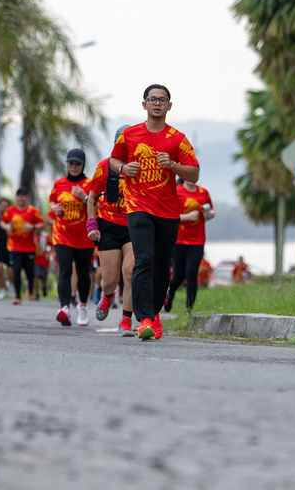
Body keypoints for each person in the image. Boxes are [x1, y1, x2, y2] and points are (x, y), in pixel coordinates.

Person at [110, 84, 199, 341]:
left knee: (161, 267)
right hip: (138, 206)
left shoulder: (177, 138)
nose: (157, 103)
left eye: (162, 99)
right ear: (144, 104)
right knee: (144, 259)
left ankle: (155, 313)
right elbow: (114, 160)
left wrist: (173, 165)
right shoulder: (129, 135)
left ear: (169, 105)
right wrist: (124, 168)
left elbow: (194, 173)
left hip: (168, 211)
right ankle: (145, 319)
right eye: (152, 99)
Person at [87, 125, 136, 335]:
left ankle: (126, 320)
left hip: (134, 225)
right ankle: (107, 296)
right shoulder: (105, 166)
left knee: (130, 272)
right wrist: (92, 225)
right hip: (109, 225)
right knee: (109, 281)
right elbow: (92, 197)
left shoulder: (141, 166)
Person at [48, 149, 95, 327]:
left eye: (77, 164)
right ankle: (64, 308)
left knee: (83, 273)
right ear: (67, 164)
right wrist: (54, 207)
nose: (74, 167)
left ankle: (82, 306)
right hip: (62, 234)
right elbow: (52, 200)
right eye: (71, 163)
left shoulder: (89, 184)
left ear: (83, 165)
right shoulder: (59, 183)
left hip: (84, 236)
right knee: (65, 270)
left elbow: (99, 205)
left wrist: (85, 197)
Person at [164, 179, 215, 315]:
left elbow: (210, 211)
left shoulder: (204, 192)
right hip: (179, 240)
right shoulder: (176, 191)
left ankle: (189, 309)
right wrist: (186, 217)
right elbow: (168, 214)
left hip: (197, 240)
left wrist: (210, 214)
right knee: (179, 275)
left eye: (195, 172)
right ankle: (170, 292)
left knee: (191, 272)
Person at [0, 187, 45, 306]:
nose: (21, 198)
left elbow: (42, 224)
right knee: (16, 270)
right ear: (16, 197)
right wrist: (7, 227)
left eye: (23, 195)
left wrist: (32, 227)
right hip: (14, 246)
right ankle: (17, 296)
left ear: (27, 197)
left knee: (30, 272)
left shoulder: (33, 210)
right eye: (18, 195)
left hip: (29, 248)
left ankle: (30, 289)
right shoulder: (10, 210)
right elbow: (2, 221)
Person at [32, 226, 52, 300]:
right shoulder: (31, 236)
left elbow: (51, 245)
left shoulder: (46, 236)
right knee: (35, 276)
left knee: (44, 277)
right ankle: (36, 293)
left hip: (44, 260)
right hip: (35, 260)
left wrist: (48, 253)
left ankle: (44, 288)